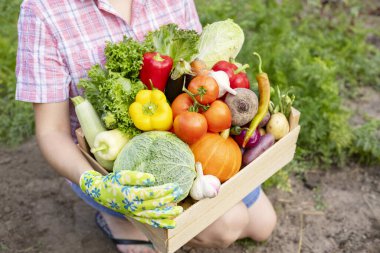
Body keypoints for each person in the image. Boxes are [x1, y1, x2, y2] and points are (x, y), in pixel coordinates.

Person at [15, 0, 277, 252]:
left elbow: (198, 66)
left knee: (264, 225)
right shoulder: (42, 10)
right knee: (227, 226)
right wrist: (96, 184)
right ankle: (119, 218)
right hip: (111, 164)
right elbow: (52, 132)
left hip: (187, 135)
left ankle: (149, 225)